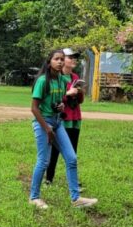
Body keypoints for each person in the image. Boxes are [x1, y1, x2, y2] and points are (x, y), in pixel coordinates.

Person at [29, 49, 97, 209]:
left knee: (71, 158)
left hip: (57, 122)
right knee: (43, 160)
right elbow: (34, 108)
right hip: (43, 123)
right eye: (56, 59)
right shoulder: (42, 81)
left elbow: (59, 100)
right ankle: (34, 197)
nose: (60, 62)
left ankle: (76, 199)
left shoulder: (60, 79)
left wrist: (60, 106)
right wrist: (47, 129)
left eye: (61, 59)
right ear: (49, 62)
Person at [46, 48, 84, 187]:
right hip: (61, 119)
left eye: (75, 57)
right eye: (70, 57)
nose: (73, 60)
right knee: (55, 150)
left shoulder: (75, 77)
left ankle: (73, 182)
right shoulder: (56, 77)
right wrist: (67, 93)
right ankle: (49, 179)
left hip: (75, 118)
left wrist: (79, 92)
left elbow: (80, 101)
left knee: (72, 152)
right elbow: (52, 99)